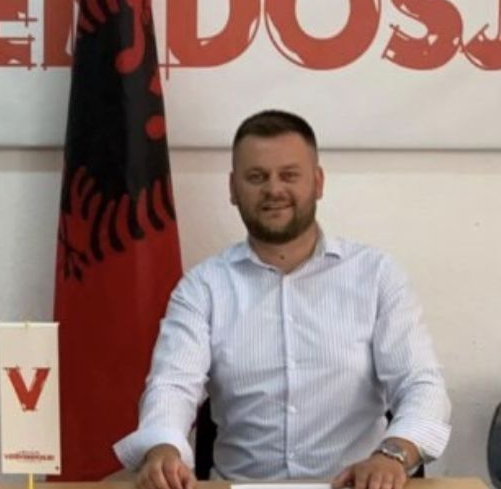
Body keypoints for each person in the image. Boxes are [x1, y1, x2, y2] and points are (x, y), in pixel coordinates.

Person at [113, 110, 451, 489]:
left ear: (318, 183)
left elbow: (420, 384)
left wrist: (393, 455)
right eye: (256, 177)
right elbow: (172, 385)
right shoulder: (202, 287)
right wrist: (162, 449)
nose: (273, 189)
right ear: (233, 188)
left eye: (289, 175)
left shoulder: (377, 276)